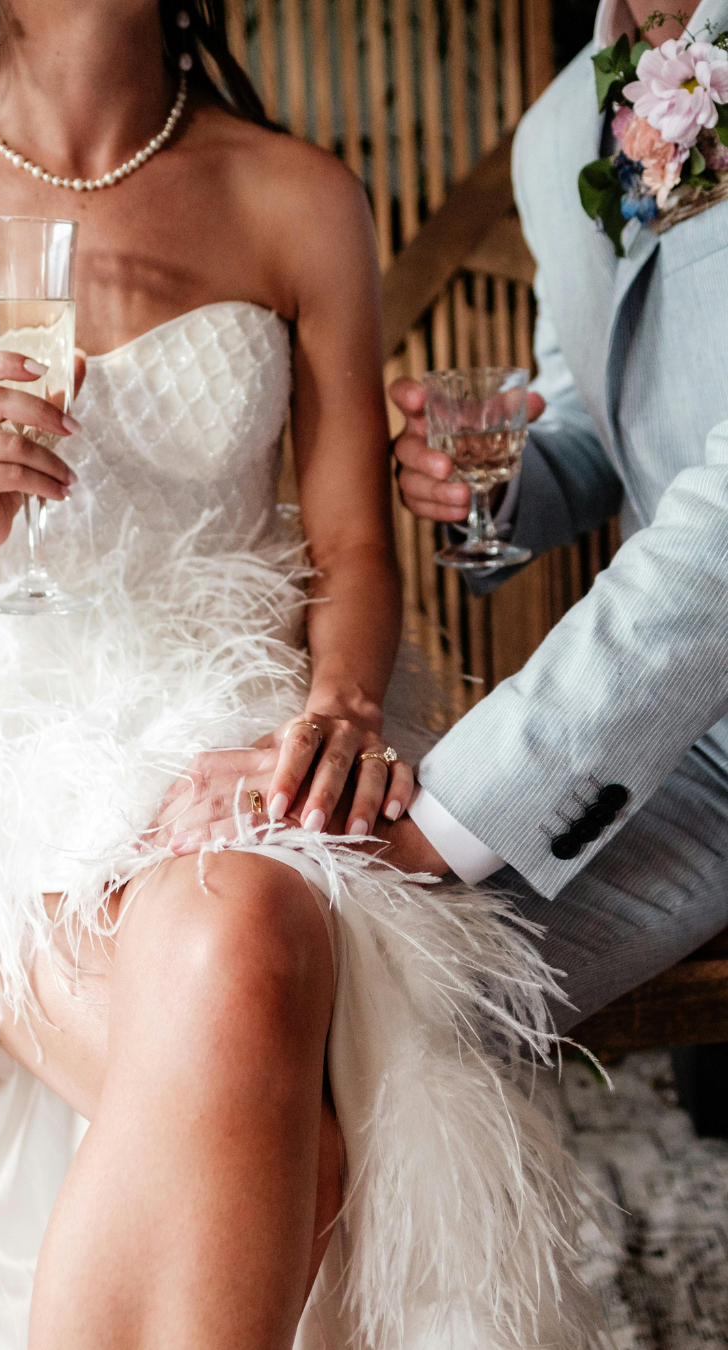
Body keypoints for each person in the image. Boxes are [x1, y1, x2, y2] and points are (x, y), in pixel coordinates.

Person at [0, 3, 598, 1347]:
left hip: (229, 710)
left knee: (257, 939)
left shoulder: (297, 193)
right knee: (293, 1149)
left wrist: (339, 709)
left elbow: (349, 549)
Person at [385, 0, 728, 1032]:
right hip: (678, 736)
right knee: (367, 994)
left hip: (651, 701)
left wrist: (456, 817)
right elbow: (589, 404)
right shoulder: (552, 133)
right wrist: (492, 483)